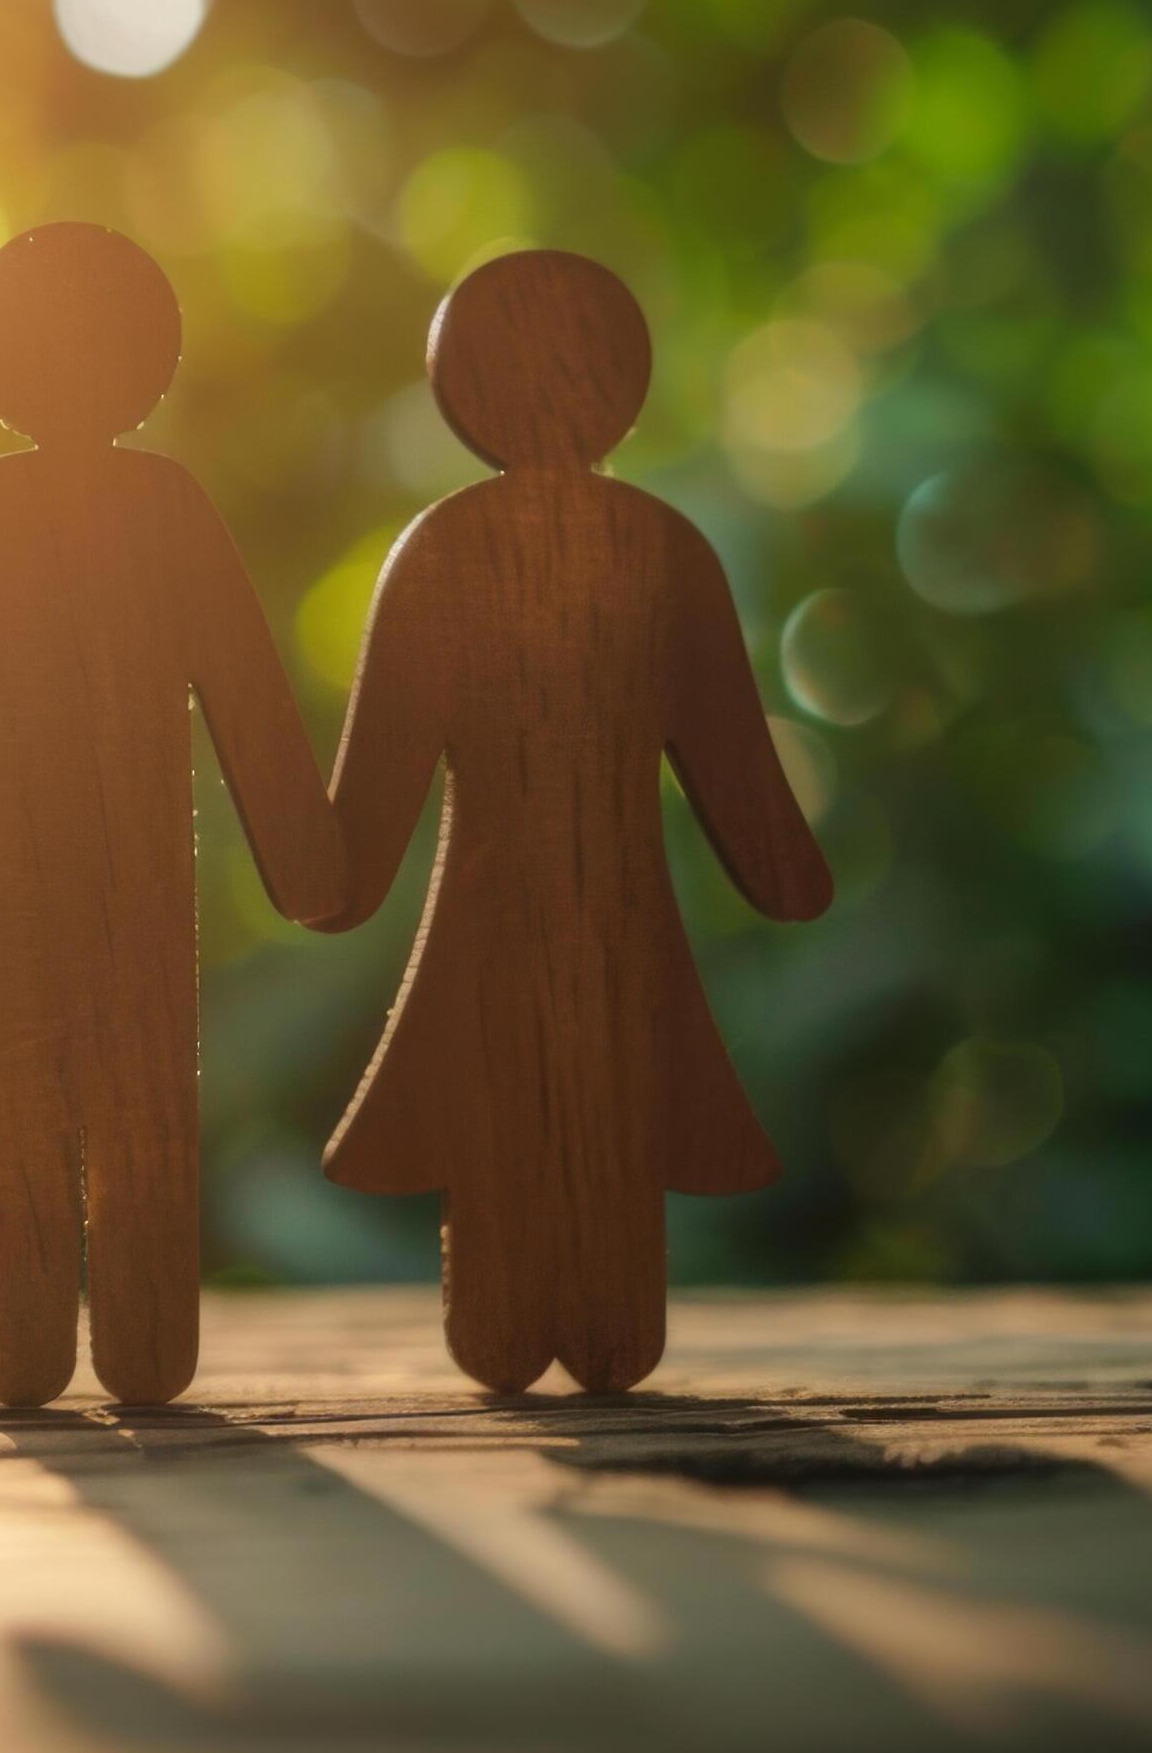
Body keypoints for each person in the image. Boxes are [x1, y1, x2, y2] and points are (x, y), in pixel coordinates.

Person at [0, 222, 345, 1408]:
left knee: (71, 1099)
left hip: (86, 887)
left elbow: (241, 687)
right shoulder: (138, 506)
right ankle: (64, 1340)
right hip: (82, 885)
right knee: (81, 1100)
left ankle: (75, 1342)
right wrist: (304, 854)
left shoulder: (1, 508)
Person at [316, 250, 833, 1395]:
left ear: (462, 389)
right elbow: (740, 769)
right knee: (600, 1087)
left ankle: (524, 1326)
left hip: (493, 919)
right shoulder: (665, 549)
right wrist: (786, 870)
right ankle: (594, 1322)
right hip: (616, 918)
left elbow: (377, 790)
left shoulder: (443, 552)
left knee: (513, 1088)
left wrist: (328, 878)